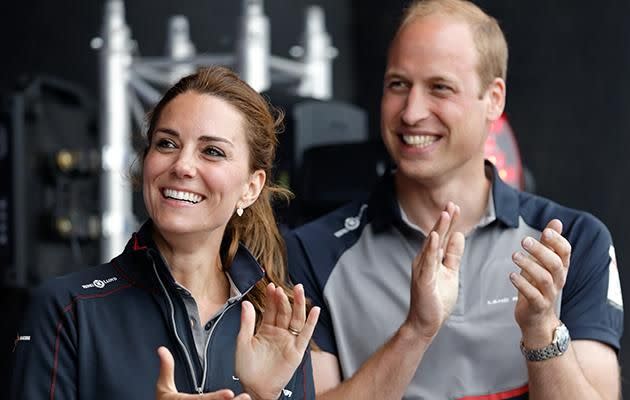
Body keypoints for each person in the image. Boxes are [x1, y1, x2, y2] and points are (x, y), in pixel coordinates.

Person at [286, 0, 624, 399]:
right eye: (398, 85)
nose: (411, 113)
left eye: (439, 88)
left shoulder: (573, 242)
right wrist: (416, 331)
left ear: (494, 99)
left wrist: (541, 330)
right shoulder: (311, 252)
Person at [11, 66, 320, 400]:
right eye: (167, 143)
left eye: (212, 151)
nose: (182, 166)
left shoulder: (278, 324)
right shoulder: (67, 309)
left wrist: (262, 396)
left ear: (250, 188)